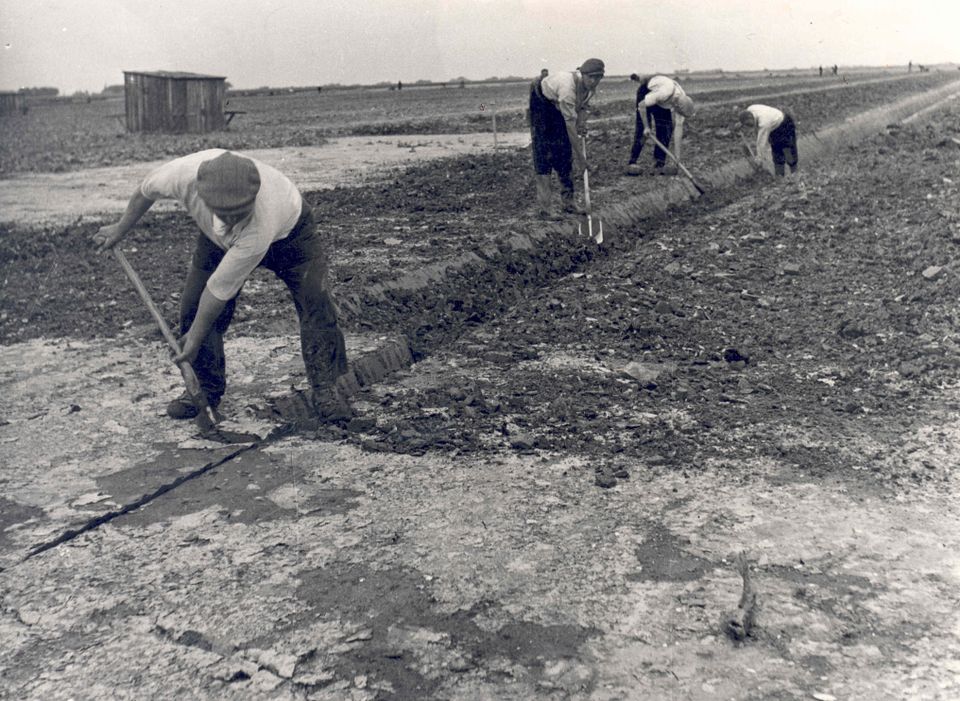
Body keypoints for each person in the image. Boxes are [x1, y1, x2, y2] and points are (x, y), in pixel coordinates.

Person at [93, 149, 351, 423]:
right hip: (214, 239)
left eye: (239, 213)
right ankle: (205, 388)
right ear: (203, 196)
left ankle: (326, 388)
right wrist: (121, 228)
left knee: (316, 301)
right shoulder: (180, 175)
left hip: (292, 236)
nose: (232, 221)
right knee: (192, 306)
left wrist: (192, 340)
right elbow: (146, 191)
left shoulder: (260, 223)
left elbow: (218, 291)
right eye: (225, 214)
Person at [528, 58, 605, 219]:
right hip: (541, 100)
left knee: (564, 153)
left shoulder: (590, 89)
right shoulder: (567, 87)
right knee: (544, 154)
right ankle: (545, 209)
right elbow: (570, 126)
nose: (594, 81)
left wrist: (582, 123)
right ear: (582, 75)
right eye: (591, 77)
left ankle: (568, 204)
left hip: (557, 104)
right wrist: (581, 157)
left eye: (598, 78)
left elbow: (583, 107)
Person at [624, 74, 696, 176]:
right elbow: (642, 105)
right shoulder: (665, 93)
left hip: (663, 102)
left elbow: (678, 128)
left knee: (667, 128)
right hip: (647, 93)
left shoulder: (683, 100)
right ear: (676, 106)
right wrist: (646, 127)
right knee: (642, 131)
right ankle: (632, 162)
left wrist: (677, 157)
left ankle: (659, 164)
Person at [738, 104, 798, 177]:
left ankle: (794, 173)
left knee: (788, 150)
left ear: (750, 117)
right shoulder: (750, 108)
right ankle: (780, 177)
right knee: (777, 152)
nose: (749, 126)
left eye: (748, 124)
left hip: (784, 124)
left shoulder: (764, 123)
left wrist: (759, 158)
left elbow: (761, 142)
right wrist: (741, 125)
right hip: (773, 127)